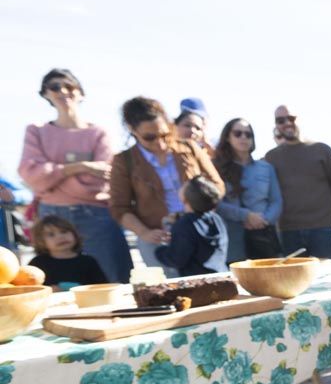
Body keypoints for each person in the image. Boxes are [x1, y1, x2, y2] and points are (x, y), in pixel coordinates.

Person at [19, 68, 133, 283]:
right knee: (53, 285)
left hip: (97, 217)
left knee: (114, 282)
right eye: (54, 87)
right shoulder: (36, 131)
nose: (62, 91)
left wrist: (52, 177)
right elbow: (30, 173)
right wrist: (82, 167)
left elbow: (105, 178)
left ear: (81, 92)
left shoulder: (99, 133)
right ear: (45, 94)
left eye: (69, 86)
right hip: (51, 218)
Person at [109, 96, 224, 278]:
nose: (160, 143)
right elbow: (119, 208)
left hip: (199, 232)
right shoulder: (124, 161)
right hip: (157, 238)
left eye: (165, 134)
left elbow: (217, 186)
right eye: (149, 137)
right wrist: (144, 232)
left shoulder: (189, 148)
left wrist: (198, 209)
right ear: (132, 130)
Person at [264, 105, 331, 259]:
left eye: (291, 118)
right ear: (276, 125)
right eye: (280, 120)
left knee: (329, 280)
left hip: (322, 229)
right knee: (293, 282)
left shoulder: (322, 150)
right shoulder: (271, 157)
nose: (287, 123)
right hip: (288, 232)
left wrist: (328, 214)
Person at [213, 118, 282, 261]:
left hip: (263, 236)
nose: (243, 137)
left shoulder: (266, 168)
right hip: (232, 240)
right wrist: (245, 215)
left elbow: (277, 201)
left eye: (248, 134)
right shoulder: (216, 168)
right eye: (238, 133)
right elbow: (215, 204)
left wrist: (263, 220)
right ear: (227, 137)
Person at [154, 177, 228, 276]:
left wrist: (160, 251)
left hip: (198, 283)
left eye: (185, 185)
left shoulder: (184, 225)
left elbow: (176, 259)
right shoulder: (216, 219)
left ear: (185, 199)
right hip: (221, 275)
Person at [29, 215, 107, 289]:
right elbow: (29, 288)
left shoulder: (88, 261)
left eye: (64, 231)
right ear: (41, 241)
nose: (60, 237)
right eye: (51, 234)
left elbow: (102, 287)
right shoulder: (37, 263)